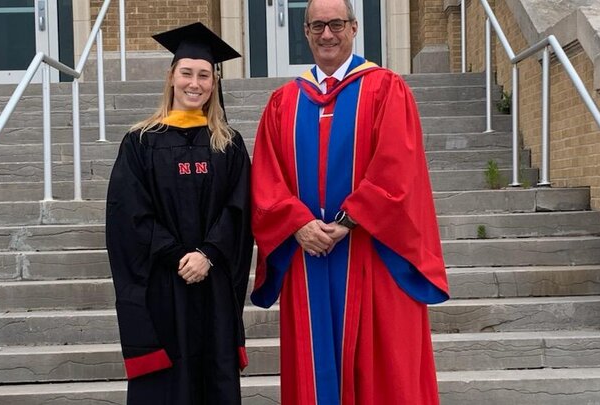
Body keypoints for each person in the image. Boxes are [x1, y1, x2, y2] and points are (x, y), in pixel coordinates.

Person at [250, 0, 450, 403]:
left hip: (370, 252)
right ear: (305, 32)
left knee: (381, 368)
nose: (328, 34)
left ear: (354, 28)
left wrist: (348, 219)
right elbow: (266, 177)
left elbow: (399, 166)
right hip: (307, 257)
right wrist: (298, 224)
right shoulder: (283, 103)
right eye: (318, 25)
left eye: (337, 24)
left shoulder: (385, 88)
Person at [105, 22, 253, 405]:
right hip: (162, 286)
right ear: (171, 76)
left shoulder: (229, 144)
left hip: (214, 284)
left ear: (214, 82)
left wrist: (208, 255)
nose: (195, 83)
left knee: (211, 379)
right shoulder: (141, 142)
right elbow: (129, 216)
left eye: (204, 75)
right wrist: (176, 255)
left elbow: (239, 209)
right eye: (186, 72)